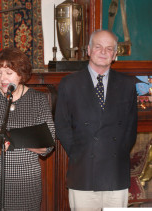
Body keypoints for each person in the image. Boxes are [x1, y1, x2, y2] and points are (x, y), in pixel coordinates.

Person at [55, 29, 138, 210]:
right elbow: (62, 126)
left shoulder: (128, 84)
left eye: (109, 49)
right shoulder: (69, 84)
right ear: (89, 50)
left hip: (115, 173)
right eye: (98, 47)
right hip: (83, 172)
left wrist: (115, 150)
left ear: (115, 55)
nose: (103, 52)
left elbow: (131, 129)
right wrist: (81, 152)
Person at [0, 47, 55, 210]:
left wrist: (14, 139)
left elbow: (47, 146)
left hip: (25, 181)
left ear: (21, 74)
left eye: (8, 73)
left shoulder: (38, 101)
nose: (2, 78)